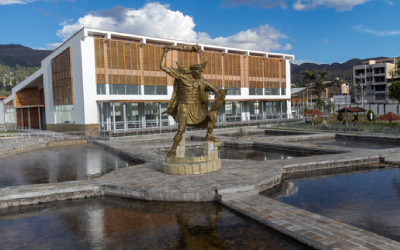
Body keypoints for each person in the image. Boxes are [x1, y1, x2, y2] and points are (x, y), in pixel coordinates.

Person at [160, 45, 227, 157]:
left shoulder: (201, 80)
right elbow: (163, 67)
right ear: (193, 71)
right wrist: (165, 52)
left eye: (201, 72)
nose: (200, 74)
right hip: (184, 107)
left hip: (197, 108)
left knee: (212, 116)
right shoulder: (182, 77)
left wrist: (218, 95)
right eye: (199, 72)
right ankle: (173, 149)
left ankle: (208, 135)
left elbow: (214, 90)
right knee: (181, 129)